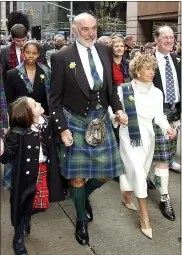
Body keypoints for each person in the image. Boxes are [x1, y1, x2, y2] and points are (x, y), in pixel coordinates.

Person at [49, 12, 127, 246]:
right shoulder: (62, 57)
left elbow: (111, 88)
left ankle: (81, 199)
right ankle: (81, 219)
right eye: (85, 29)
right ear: (74, 30)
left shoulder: (104, 50)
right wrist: (62, 129)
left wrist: (119, 109)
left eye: (94, 28)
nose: (91, 33)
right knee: (77, 179)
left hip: (101, 119)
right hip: (76, 121)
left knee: (106, 173)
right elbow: (54, 99)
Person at [109, 54, 177, 239]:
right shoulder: (124, 90)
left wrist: (168, 129)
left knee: (139, 173)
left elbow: (160, 117)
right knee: (138, 174)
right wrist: (117, 117)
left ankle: (126, 192)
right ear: (137, 70)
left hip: (147, 137)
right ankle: (144, 217)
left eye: (153, 69)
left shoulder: (157, 93)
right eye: (147, 68)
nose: (151, 72)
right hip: (128, 136)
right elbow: (112, 112)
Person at [0, 96, 64, 255]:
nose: (40, 104)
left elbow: (55, 138)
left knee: (42, 205)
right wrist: (2, 151)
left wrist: (65, 137)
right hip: (25, 175)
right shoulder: (17, 133)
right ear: (27, 115)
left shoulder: (47, 122)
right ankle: (18, 238)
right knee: (21, 206)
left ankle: (28, 215)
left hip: (44, 170)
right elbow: (8, 155)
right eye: (35, 105)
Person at [151, 25, 181, 220]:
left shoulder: (177, 60)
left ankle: (162, 191)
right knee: (157, 158)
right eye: (165, 38)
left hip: (175, 116)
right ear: (156, 39)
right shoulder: (148, 61)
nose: (169, 41)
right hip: (156, 116)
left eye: (172, 38)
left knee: (165, 157)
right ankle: (164, 197)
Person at [5, 40, 51, 115]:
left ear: (38, 54)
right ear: (23, 53)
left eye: (34, 53)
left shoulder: (46, 72)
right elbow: (9, 100)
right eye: (28, 52)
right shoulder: (12, 74)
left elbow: (50, 96)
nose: (31, 56)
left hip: (42, 116)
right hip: (20, 117)